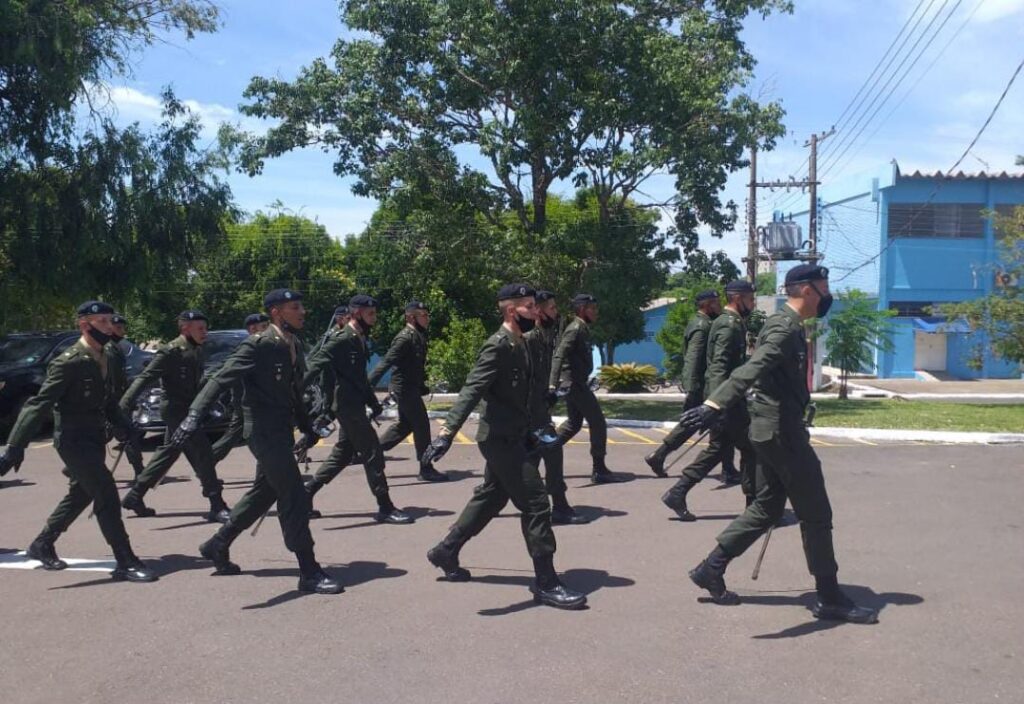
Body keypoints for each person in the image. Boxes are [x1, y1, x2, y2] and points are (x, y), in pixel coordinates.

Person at [680, 265, 878, 624]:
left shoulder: (789, 326)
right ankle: (829, 596)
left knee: (768, 507)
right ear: (805, 290)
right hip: (781, 434)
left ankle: (711, 567)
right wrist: (714, 403)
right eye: (824, 287)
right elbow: (753, 367)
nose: (828, 294)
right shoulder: (785, 327)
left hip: (772, 430)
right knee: (816, 511)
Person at [422, 283, 587, 610]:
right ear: (512, 311)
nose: (536, 312)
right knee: (537, 504)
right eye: (529, 306)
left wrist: (545, 409)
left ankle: (447, 549)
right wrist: (446, 433)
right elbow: (471, 389)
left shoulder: (525, 342)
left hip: (520, 435)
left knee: (492, 497)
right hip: (500, 440)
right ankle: (546, 583)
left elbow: (529, 390)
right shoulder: (497, 346)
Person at [177, 288, 341, 594]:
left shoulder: (292, 343)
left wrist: (307, 428)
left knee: (265, 493)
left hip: (281, 430)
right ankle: (308, 570)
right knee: (292, 492)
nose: (302, 312)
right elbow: (221, 377)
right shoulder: (259, 344)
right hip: (263, 433)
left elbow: (294, 393)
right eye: (295, 307)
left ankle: (217, 543)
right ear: (276, 312)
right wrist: (193, 415)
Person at [0, 301, 157, 582]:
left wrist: (125, 426)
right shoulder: (69, 362)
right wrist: (15, 447)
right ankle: (125, 559)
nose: (111, 327)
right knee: (106, 492)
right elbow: (38, 404)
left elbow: (107, 400)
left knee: (82, 493)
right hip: (72, 440)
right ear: (85, 325)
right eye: (104, 322)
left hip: (94, 437)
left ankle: (43, 543)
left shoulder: (107, 354)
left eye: (111, 321)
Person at [302, 295, 413, 524]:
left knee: (342, 455)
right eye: (370, 314)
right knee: (373, 452)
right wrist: (294, 391)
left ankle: (305, 494)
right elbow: (317, 362)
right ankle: (385, 506)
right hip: (346, 406)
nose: (374, 318)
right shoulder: (343, 338)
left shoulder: (359, 337)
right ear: (357, 314)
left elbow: (359, 377)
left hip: (355, 404)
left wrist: (372, 400)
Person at [119, 310, 231, 523]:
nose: (204, 332)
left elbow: (198, 382)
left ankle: (135, 496)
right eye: (200, 328)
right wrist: (124, 406)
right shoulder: (171, 351)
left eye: (205, 328)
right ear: (185, 328)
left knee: (168, 453)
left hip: (188, 409)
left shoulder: (196, 349)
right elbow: (145, 377)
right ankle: (216, 504)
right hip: (176, 411)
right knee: (203, 453)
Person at [660, 280, 758, 520]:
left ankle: (677, 492)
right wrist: (717, 403)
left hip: (727, 398)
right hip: (726, 400)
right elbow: (718, 367)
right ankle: (754, 506)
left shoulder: (731, 322)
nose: (752, 304)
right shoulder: (728, 325)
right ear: (737, 299)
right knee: (750, 448)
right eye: (750, 299)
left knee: (718, 449)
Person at [645, 289, 738, 482]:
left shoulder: (702, 323)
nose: (719, 306)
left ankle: (727, 468)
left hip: (704, 383)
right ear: (706, 305)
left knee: (713, 425)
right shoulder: (702, 326)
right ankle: (659, 456)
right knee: (710, 425)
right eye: (715, 303)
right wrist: (693, 387)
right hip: (701, 385)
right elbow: (693, 359)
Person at [524, 290, 587, 524]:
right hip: (528, 413)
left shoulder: (545, 336)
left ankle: (560, 506)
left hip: (538, 411)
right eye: (551, 308)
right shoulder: (530, 338)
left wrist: (550, 391)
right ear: (539, 311)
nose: (556, 312)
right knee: (504, 474)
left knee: (547, 452)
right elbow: (524, 378)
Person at [368, 300, 448, 482]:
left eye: (427, 315)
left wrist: (421, 385)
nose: (427, 319)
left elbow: (413, 366)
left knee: (405, 426)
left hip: (410, 388)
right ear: (411, 317)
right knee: (421, 425)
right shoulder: (405, 338)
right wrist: (366, 386)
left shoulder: (417, 335)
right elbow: (386, 362)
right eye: (423, 315)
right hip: (404, 390)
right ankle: (426, 468)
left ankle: (371, 451)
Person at [550, 293, 625, 484]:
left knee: (574, 424)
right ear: (582, 309)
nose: (596, 312)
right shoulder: (575, 328)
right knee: (598, 422)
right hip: (574, 384)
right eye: (593, 308)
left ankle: (539, 452)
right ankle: (599, 469)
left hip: (576, 382)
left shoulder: (581, 328)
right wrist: (552, 383)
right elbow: (559, 355)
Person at [211, 313, 269, 465]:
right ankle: (271, 466)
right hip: (243, 399)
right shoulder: (246, 347)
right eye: (264, 327)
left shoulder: (263, 345)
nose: (267, 330)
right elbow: (223, 367)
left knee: (240, 433)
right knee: (249, 434)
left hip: (253, 399)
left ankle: (207, 461)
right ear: (252, 329)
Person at [107, 313, 146, 477]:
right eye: (118, 328)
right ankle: (139, 471)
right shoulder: (110, 349)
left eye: (123, 328)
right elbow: (113, 379)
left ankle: (74, 469)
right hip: (114, 400)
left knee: (111, 434)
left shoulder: (115, 347)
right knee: (128, 434)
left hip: (116, 399)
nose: (122, 332)